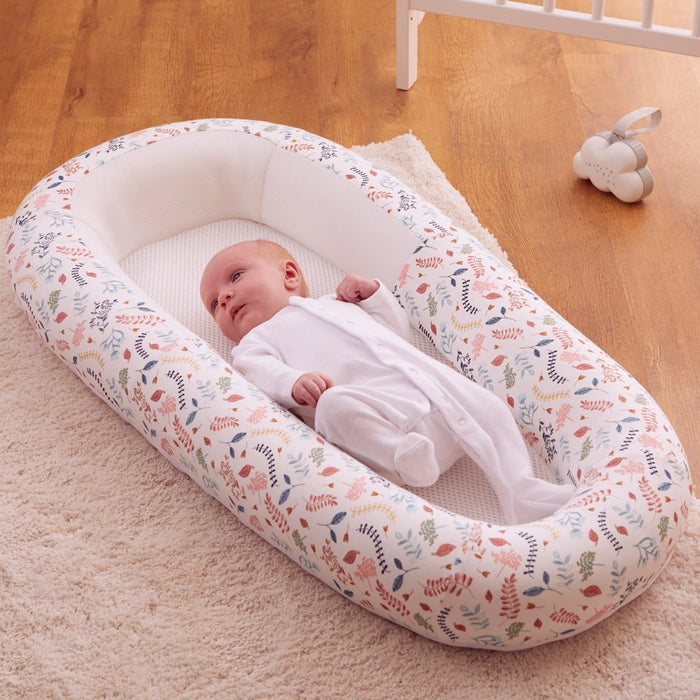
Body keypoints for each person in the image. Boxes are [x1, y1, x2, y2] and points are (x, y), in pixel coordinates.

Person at [199, 239, 574, 524]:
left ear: (290, 276)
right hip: (385, 419)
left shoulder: (336, 303)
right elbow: (259, 372)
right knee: (334, 406)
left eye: (235, 277)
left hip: (429, 389)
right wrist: (293, 381)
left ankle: (521, 490)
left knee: (489, 407)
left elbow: (394, 333)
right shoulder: (253, 344)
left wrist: (375, 297)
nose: (225, 297)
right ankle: (399, 456)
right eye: (214, 304)